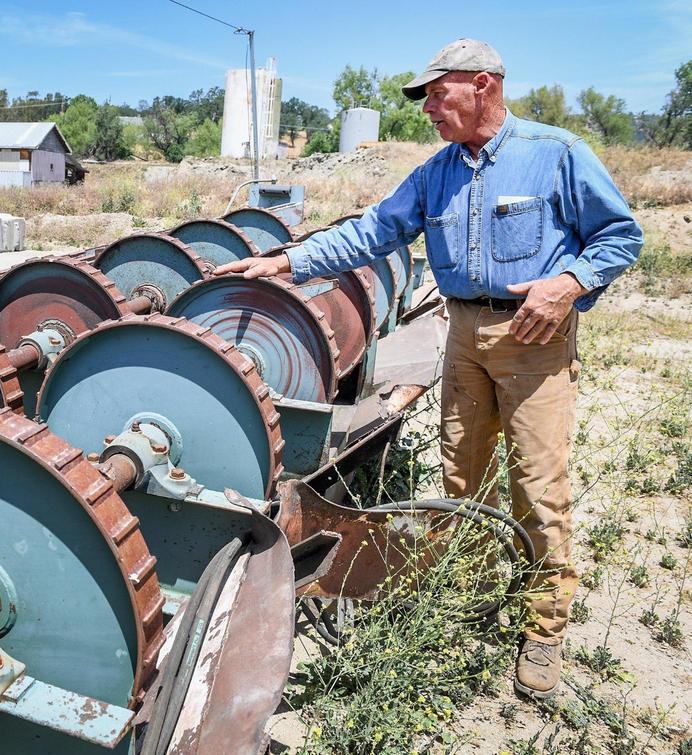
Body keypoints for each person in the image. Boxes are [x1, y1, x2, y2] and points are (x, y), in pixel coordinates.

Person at [213, 38, 643, 698]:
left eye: (437, 94)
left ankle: (545, 627)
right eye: (426, 100)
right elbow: (369, 232)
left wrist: (569, 283)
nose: (428, 110)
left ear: (484, 86)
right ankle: (467, 585)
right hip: (464, 331)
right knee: (461, 470)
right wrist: (286, 263)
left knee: (537, 479)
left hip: (534, 334)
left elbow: (621, 237)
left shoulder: (555, 154)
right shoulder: (436, 173)